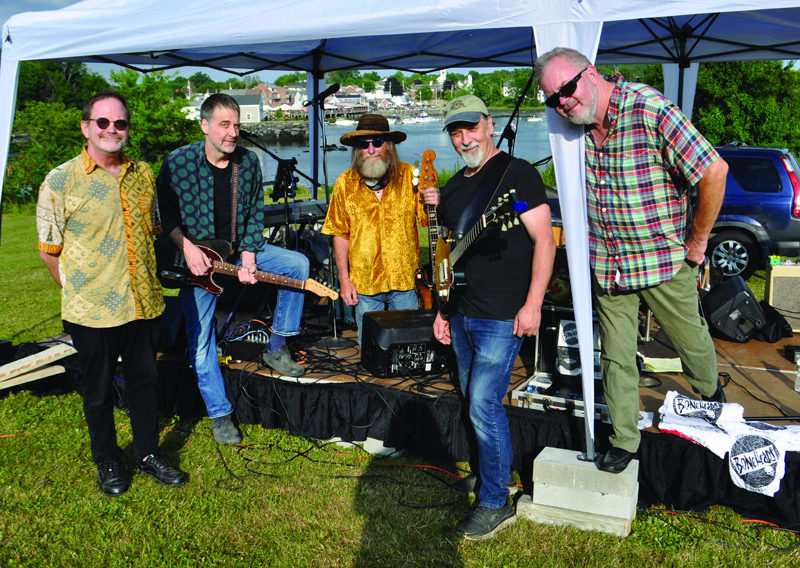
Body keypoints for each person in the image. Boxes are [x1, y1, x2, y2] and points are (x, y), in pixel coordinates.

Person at [535, 47, 728, 474]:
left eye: (566, 89)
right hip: (608, 264)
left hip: (662, 260)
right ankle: (624, 440)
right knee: (616, 357)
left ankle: (712, 400)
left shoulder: (649, 107)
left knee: (689, 340)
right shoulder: (571, 130)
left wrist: (697, 244)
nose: (563, 102)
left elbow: (714, 171)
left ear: (593, 73)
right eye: (553, 98)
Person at [36, 91, 188, 496]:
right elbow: (49, 251)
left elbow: (153, 231)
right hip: (91, 311)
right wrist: (78, 291)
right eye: (102, 122)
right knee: (98, 392)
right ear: (86, 127)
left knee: (145, 384)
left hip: (142, 303)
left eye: (119, 123)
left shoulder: (143, 173)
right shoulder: (60, 180)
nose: (111, 130)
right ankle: (107, 460)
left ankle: (147, 453)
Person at [433, 95, 556, 540]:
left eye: (470, 128)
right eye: (455, 132)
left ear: (489, 124)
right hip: (463, 315)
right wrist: (442, 311)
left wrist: (534, 303)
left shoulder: (518, 174)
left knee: (484, 404)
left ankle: (494, 501)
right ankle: (489, 476)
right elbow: (444, 255)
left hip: (503, 315)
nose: (464, 138)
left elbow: (545, 241)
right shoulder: (451, 189)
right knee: (473, 401)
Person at [156, 93, 310, 445]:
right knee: (200, 342)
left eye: (237, 125)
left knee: (298, 264)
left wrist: (250, 256)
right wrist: (187, 246)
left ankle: (278, 344)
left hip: (239, 250)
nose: (232, 132)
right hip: (197, 262)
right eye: (225, 125)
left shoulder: (248, 162)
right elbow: (166, 217)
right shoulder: (178, 163)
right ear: (205, 125)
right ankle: (220, 414)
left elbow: (255, 213)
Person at [321, 114, 438, 345]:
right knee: (371, 350)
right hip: (364, 283)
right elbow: (339, 233)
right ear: (357, 150)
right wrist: (344, 280)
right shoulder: (345, 183)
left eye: (377, 142)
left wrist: (433, 199)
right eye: (364, 144)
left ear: (389, 146)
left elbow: (427, 221)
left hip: (404, 280)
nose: (371, 149)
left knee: (408, 346)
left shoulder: (409, 177)